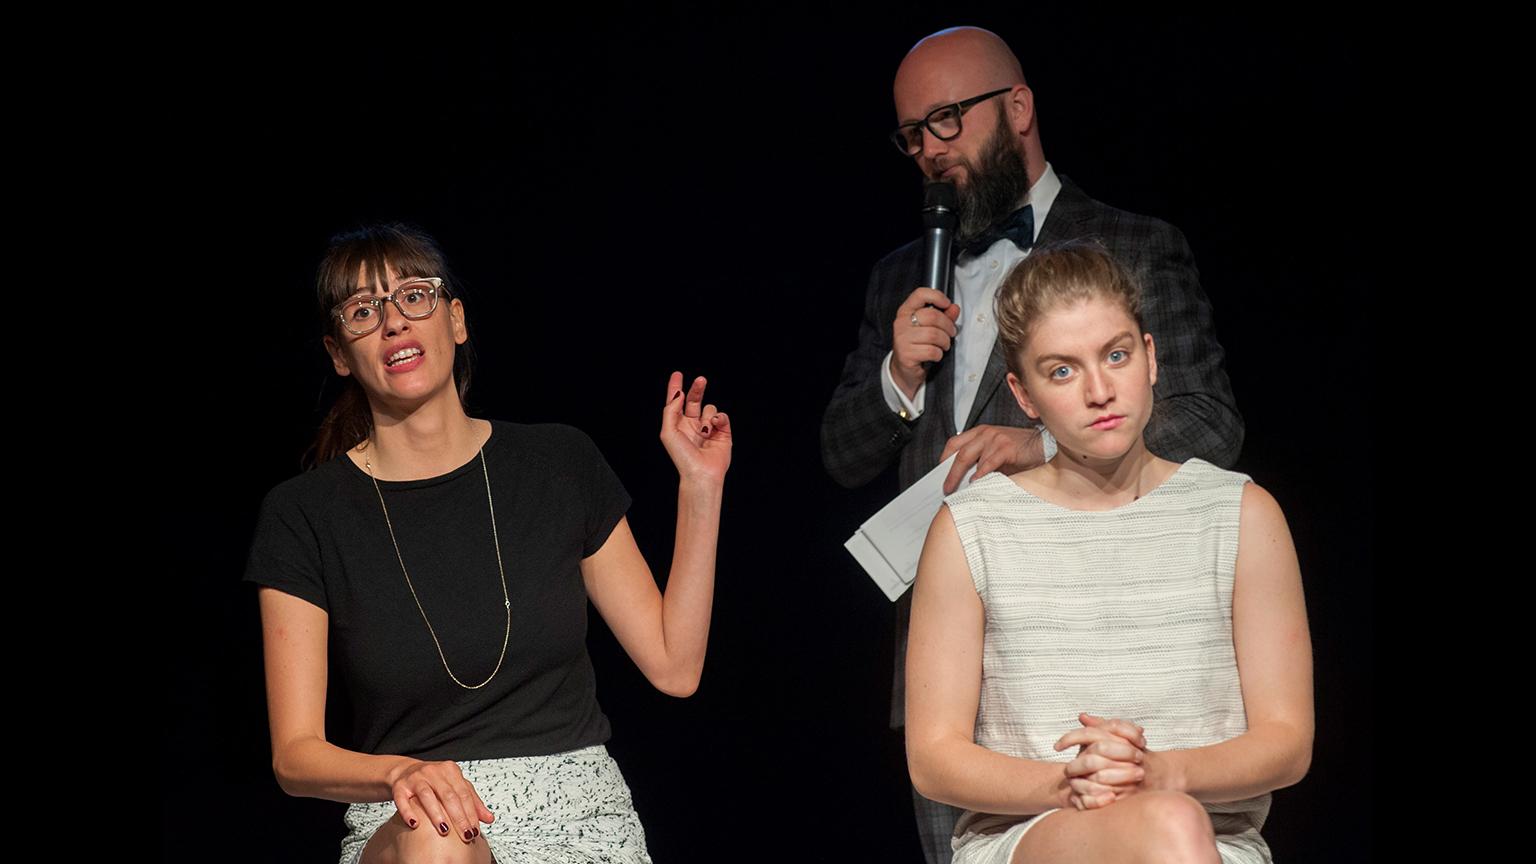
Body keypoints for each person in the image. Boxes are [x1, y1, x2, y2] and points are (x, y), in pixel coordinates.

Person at [818, 27, 1243, 862]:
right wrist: (898, 378)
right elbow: (842, 453)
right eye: (913, 134)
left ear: (1017, 108)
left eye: (947, 120)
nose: (930, 152)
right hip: (957, 665)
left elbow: (1208, 421)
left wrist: (1043, 444)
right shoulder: (900, 276)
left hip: (1110, 630)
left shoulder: (1134, 243)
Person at [243, 223, 731, 864]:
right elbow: (295, 755)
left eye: (413, 296)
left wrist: (700, 488)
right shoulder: (304, 513)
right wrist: (398, 774)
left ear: (457, 320)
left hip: (578, 811)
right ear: (340, 354)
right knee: (436, 843)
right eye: (364, 311)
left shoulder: (557, 462)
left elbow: (675, 667)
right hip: (414, 818)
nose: (393, 322)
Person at [904, 242, 1312, 864]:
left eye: (1116, 355)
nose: (1099, 390)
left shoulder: (1240, 515)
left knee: (1174, 826)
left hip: (1211, 840)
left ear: (1150, 358)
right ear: (1024, 395)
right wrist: (1073, 783)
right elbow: (934, 756)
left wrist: (1158, 775)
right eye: (1062, 370)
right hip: (1032, 835)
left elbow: (1287, 742)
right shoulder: (972, 529)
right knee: (1171, 828)